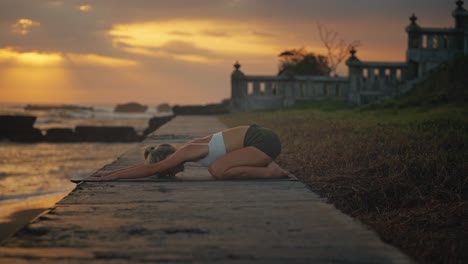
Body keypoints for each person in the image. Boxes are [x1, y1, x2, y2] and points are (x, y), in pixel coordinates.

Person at [86, 124, 289, 181]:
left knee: (217, 170)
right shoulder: (189, 150)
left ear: (168, 160)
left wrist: (110, 176)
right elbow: (152, 167)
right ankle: (267, 165)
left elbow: (150, 168)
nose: (169, 174)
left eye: (165, 172)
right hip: (257, 142)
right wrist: (109, 174)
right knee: (218, 167)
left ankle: (274, 172)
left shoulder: (187, 151)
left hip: (262, 141)